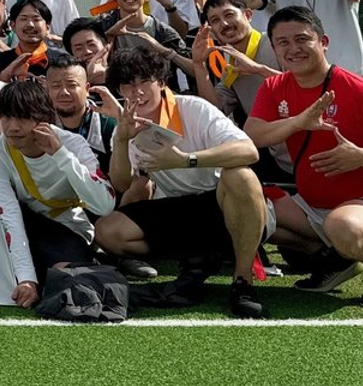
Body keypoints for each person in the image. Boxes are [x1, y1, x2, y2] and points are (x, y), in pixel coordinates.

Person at [245, 7, 363, 310]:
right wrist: (299, 122)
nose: (293, 49)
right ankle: (340, 260)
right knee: (245, 211)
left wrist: (361, 156)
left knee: (344, 227)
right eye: (283, 42)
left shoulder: (361, 91)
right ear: (274, 50)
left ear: (323, 42)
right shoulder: (275, 87)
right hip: (312, 204)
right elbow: (253, 135)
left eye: (302, 39)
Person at [93, 47, 269, 319]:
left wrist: (186, 160)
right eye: (127, 84)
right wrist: (122, 139)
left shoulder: (193, 107)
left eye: (145, 81)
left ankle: (242, 280)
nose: (137, 91)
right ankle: (199, 256)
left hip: (221, 200)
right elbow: (122, 182)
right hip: (177, 205)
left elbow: (249, 151)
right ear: (119, 89)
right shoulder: (127, 126)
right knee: (107, 231)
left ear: (161, 82)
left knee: (241, 175)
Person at [0, 78, 117, 307]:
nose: (12, 127)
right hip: (25, 227)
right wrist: (27, 280)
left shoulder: (72, 144)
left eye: (22, 117)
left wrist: (61, 155)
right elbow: (10, 216)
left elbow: (104, 205)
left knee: (68, 273)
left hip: (67, 229)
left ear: (43, 118)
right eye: (6, 117)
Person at [190, 0, 289, 181]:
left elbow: (308, 87)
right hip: (279, 158)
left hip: (312, 148)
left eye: (229, 15)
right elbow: (216, 109)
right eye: (215, 20)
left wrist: (259, 70)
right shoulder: (231, 64)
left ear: (248, 15)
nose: (224, 24)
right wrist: (199, 65)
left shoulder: (277, 44)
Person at [94, 0, 192, 90]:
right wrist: (109, 37)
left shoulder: (162, 31)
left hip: (158, 94)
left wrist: (164, 51)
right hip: (114, 94)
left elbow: (194, 70)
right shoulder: (101, 28)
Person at [43, 58, 120, 172]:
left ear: (87, 89)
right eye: (56, 86)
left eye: (71, 85)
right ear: (47, 90)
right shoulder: (43, 125)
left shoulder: (109, 125)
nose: (64, 92)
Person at [0, 0, 63, 79]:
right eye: (24, 19)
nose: (30, 25)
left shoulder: (62, 61)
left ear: (47, 27)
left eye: (36, 19)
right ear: (13, 25)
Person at [61, 18, 112, 86]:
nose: (87, 52)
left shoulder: (122, 72)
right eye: (79, 48)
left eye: (91, 44)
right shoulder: (68, 84)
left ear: (105, 44)